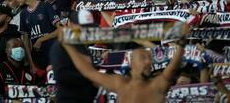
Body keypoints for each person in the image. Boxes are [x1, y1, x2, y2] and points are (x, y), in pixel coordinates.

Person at [60, 23, 188, 103]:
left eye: (150, 58)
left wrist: (182, 44)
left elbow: (171, 69)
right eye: (143, 58)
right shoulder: (120, 83)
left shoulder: (156, 85)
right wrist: (67, 46)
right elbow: (88, 72)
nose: (149, 61)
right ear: (131, 63)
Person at [12, 0, 61, 70]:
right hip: (38, 60)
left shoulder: (45, 6)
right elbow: (26, 41)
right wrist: (31, 64)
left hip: (54, 55)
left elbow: (61, 30)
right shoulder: (23, 14)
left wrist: (41, 39)